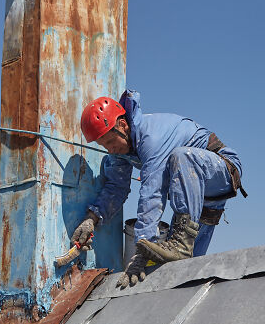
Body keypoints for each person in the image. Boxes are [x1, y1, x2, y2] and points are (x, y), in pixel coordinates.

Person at [71, 90, 245, 289]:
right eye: (104, 146)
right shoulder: (122, 151)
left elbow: (151, 193)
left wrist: (142, 249)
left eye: (111, 142)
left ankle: (181, 242)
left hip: (222, 168)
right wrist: (91, 218)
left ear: (123, 125)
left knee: (181, 157)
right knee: (187, 274)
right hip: (202, 201)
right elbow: (115, 188)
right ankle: (181, 247)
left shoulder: (150, 137)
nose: (110, 149)